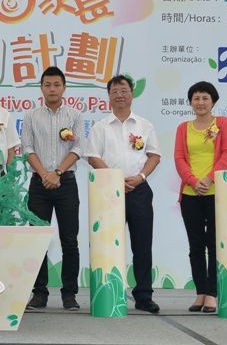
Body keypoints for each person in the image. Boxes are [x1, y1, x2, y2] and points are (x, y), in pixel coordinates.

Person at [84, 74, 161, 313]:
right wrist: (114, 179)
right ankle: (109, 291)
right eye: (115, 91)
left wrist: (141, 177)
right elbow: (92, 156)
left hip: (138, 190)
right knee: (108, 244)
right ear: (109, 96)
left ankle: (144, 295)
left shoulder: (144, 125)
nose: (119, 95)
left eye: (124, 90)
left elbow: (154, 156)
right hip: (108, 192)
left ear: (132, 94)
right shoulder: (100, 127)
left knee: (142, 244)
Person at [22, 66, 84, 311]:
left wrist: (57, 173)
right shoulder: (31, 116)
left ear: (64, 87)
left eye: (57, 84)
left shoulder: (75, 115)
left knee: (69, 240)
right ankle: (39, 294)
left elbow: (78, 148)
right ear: (41, 88)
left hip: (66, 182)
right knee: (37, 240)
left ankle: (69, 295)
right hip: (39, 184)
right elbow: (27, 148)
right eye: (47, 85)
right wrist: (44, 174)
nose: (52, 89)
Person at [174, 81, 227, 313]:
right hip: (190, 195)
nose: (200, 102)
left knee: (214, 245)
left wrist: (209, 179)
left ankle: (212, 294)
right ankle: (200, 292)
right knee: (196, 246)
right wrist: (192, 181)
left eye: (205, 98)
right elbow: (179, 158)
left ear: (213, 101)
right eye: (196, 98)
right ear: (190, 102)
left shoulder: (223, 124)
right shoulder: (183, 128)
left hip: (216, 194)